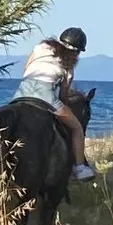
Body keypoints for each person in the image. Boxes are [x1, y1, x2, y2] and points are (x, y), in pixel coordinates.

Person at [13, 27, 97, 180]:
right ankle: (80, 168)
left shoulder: (41, 47)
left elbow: (26, 68)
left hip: (22, 92)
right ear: (77, 51)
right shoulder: (68, 66)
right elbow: (64, 95)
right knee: (77, 127)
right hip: (46, 96)